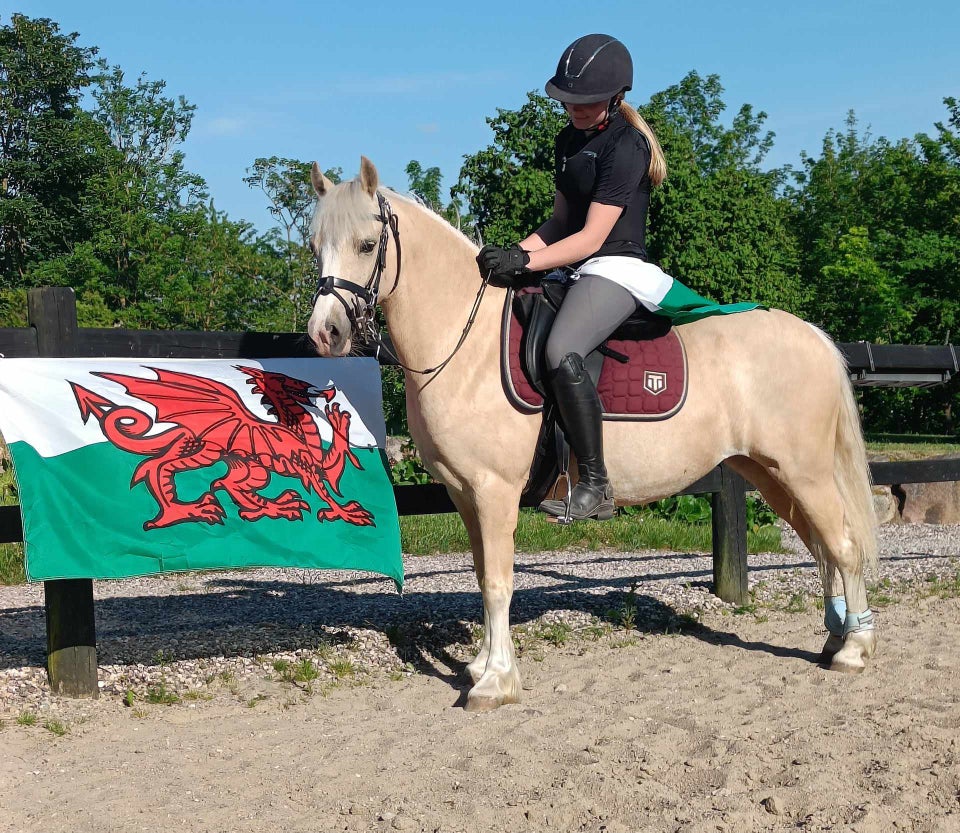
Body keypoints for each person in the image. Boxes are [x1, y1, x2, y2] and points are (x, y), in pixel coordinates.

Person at [476, 33, 670, 522]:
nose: (576, 110)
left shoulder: (627, 145)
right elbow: (560, 224)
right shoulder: (568, 142)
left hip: (619, 267)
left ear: (617, 96)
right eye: (568, 101)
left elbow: (590, 237)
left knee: (561, 350)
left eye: (586, 102)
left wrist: (526, 264)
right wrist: (513, 253)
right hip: (576, 263)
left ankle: (597, 484)